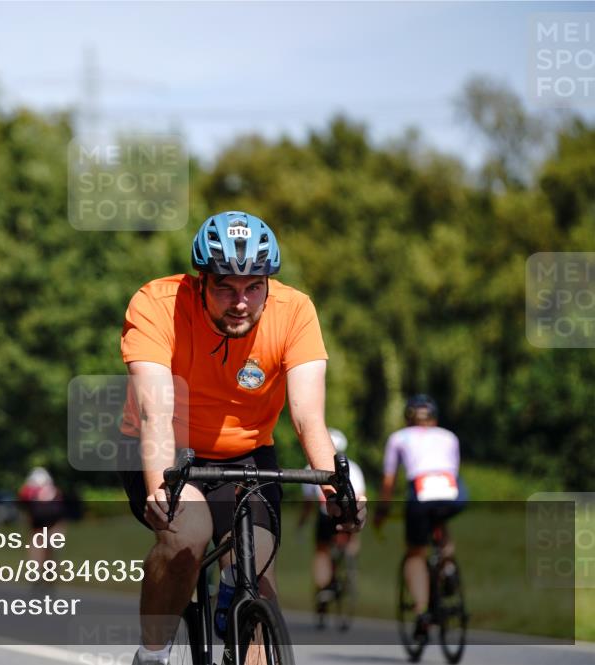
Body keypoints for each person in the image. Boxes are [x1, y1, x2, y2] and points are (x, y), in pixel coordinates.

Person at [118, 211, 366, 664]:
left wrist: (333, 481)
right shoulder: (157, 304)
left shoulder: (296, 312)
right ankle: (151, 654)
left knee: (257, 573)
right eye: (225, 288)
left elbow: (309, 417)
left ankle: (239, 610)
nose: (241, 302)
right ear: (200, 281)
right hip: (170, 450)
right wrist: (159, 485)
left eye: (255, 287)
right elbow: (156, 411)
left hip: (249, 455)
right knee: (186, 536)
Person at [373, 394, 467, 639]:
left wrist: (382, 511)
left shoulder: (398, 438)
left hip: (421, 491)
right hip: (453, 492)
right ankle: (447, 567)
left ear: (408, 419)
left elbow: (389, 480)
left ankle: (422, 610)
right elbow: (453, 470)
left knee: (415, 553)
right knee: (441, 523)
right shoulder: (449, 436)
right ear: (434, 418)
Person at [298, 428, 366, 618]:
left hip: (325, 515)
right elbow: (360, 496)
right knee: (352, 540)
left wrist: (302, 522)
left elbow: (308, 504)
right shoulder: (355, 468)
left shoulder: (308, 468)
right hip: (347, 514)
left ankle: (322, 589)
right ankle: (350, 564)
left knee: (321, 550)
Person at [18, 467, 66, 567]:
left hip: (37, 518)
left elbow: (24, 503)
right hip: (54, 518)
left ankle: (35, 567)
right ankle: (49, 565)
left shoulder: (29, 488)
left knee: (36, 541)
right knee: (49, 543)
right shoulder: (54, 489)